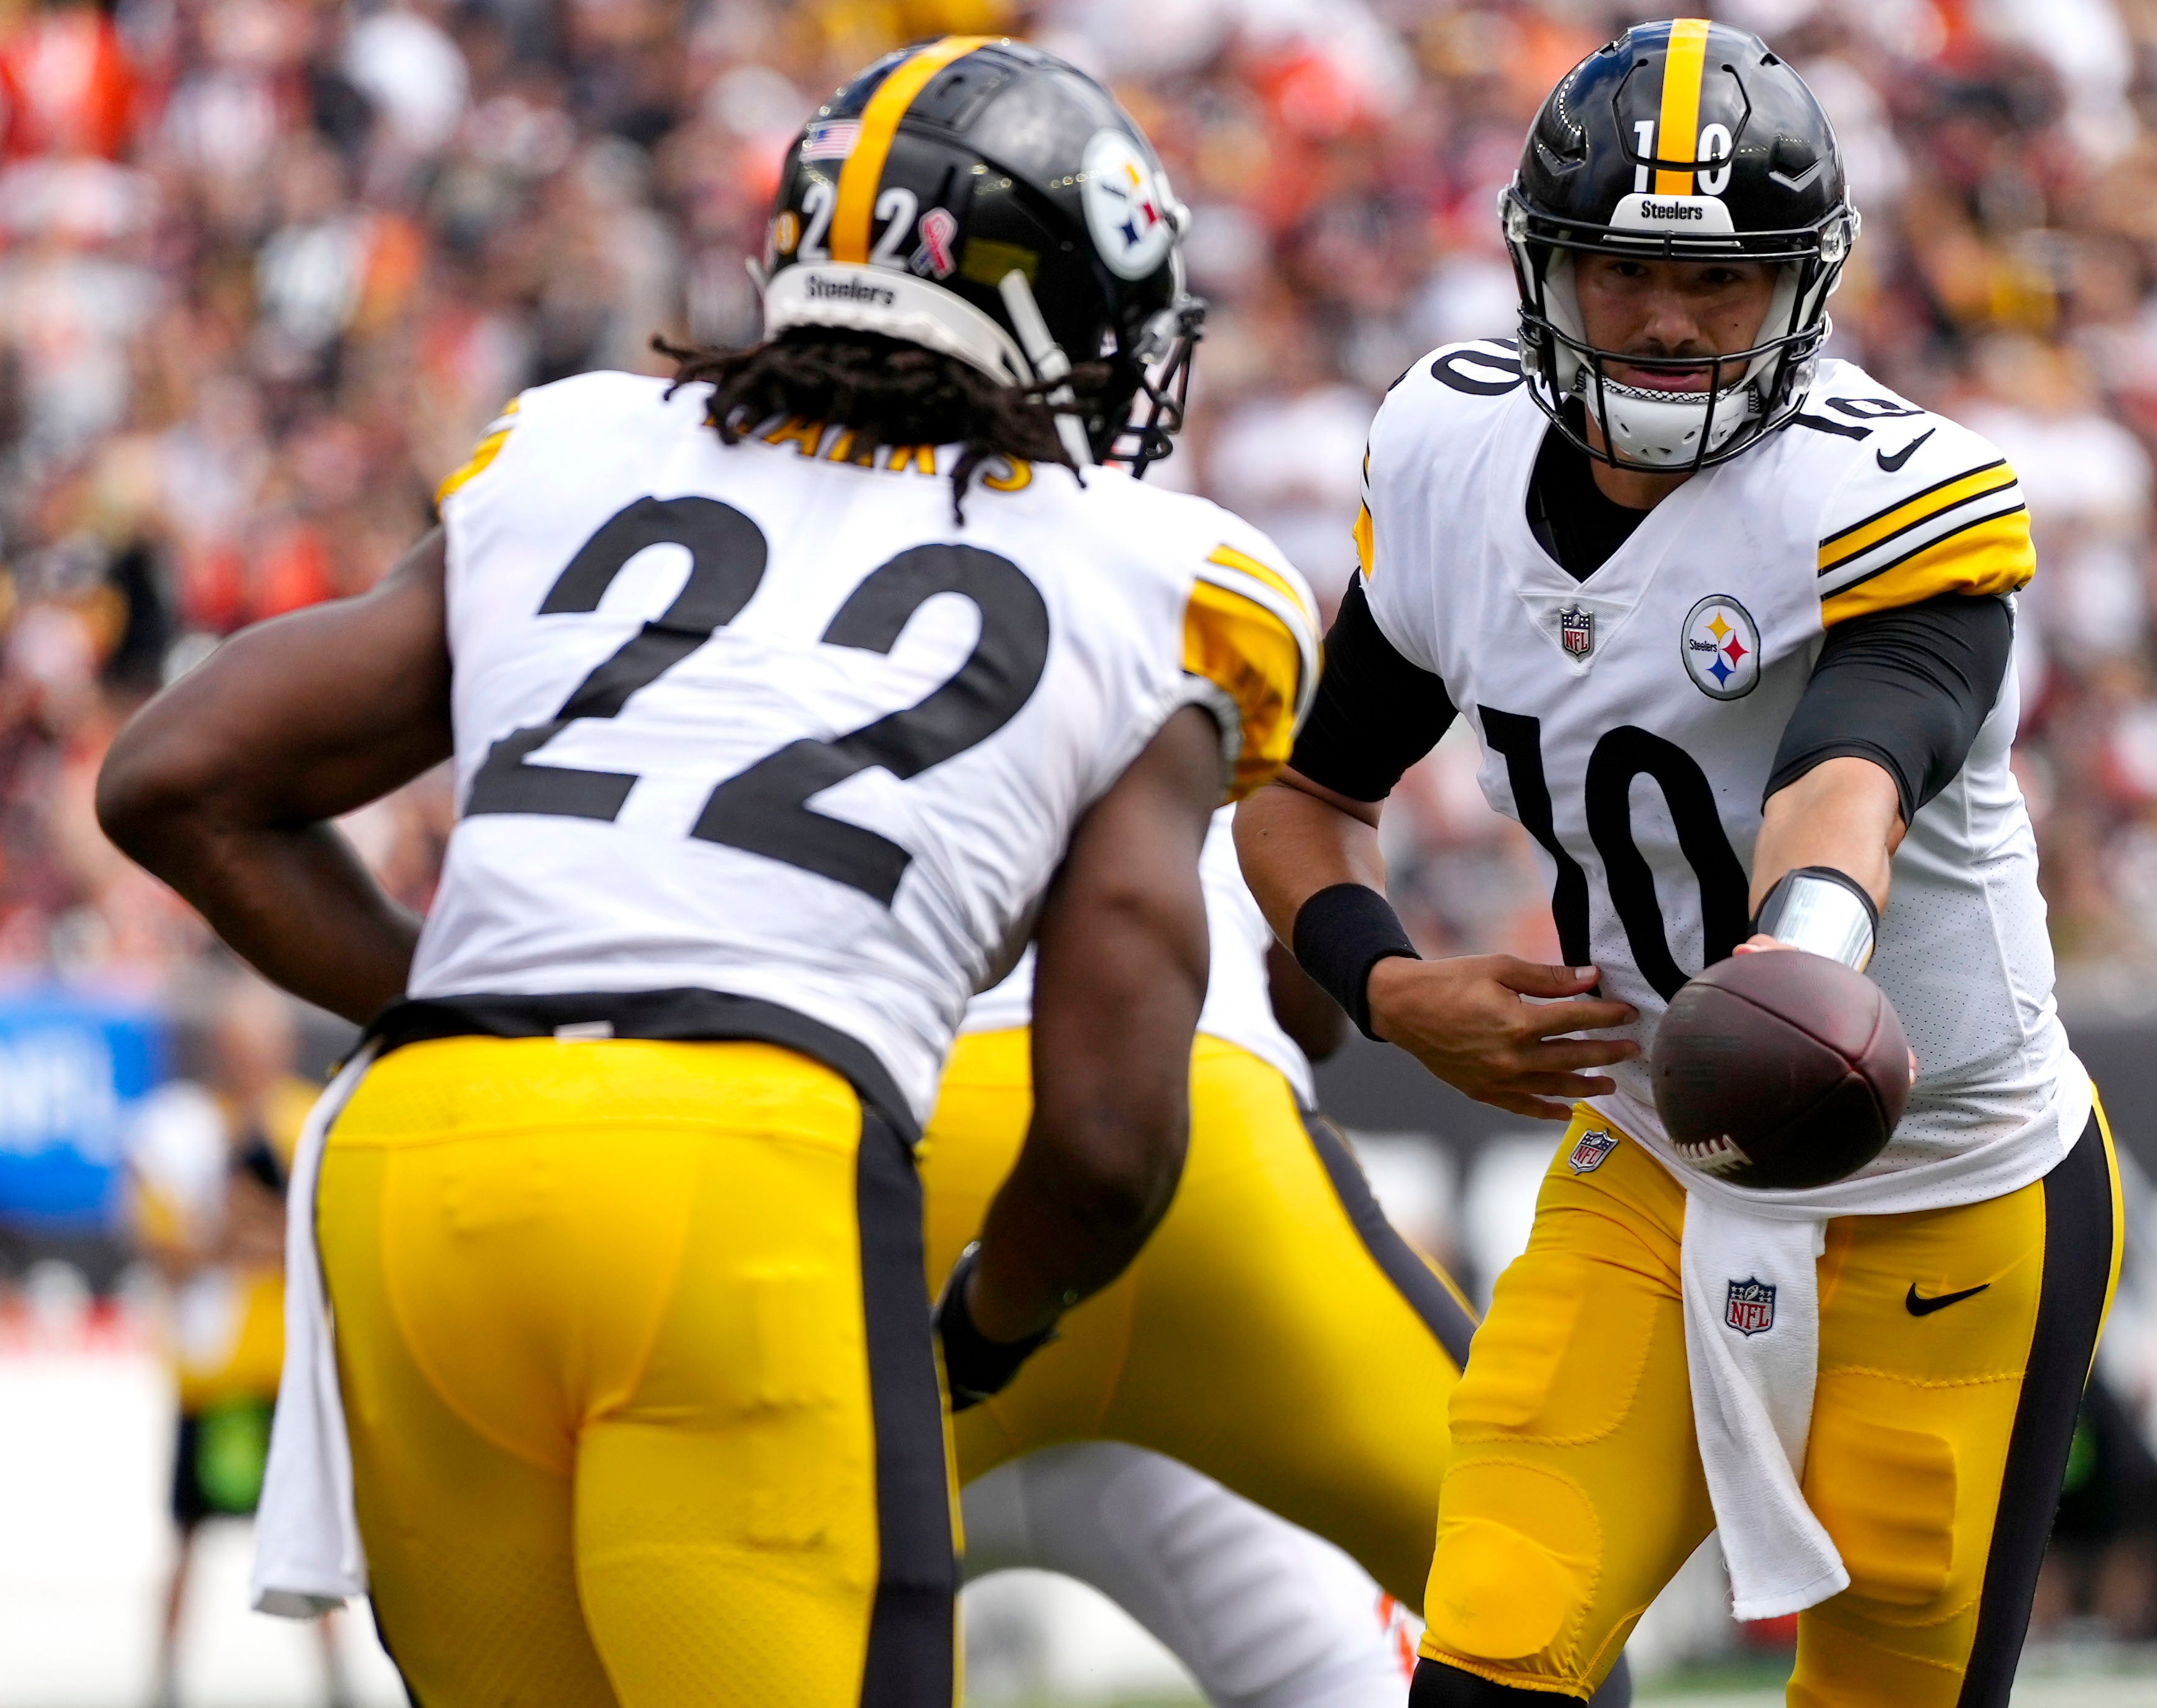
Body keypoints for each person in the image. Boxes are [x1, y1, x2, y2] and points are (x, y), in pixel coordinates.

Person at [95, 36, 1318, 1706]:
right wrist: (990, 1331)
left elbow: (174, 777)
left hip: (414, 1166)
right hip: (744, 1156)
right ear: (1049, 315)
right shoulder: (1147, 568)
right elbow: (1108, 1136)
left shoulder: (584, 445)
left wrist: (468, 1000)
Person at [1235, 22, 2121, 1707]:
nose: (1663, 320)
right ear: (1541, 267)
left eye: (1717, 282)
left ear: (1799, 288)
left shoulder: (1889, 490)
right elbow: (1302, 794)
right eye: (1623, 268)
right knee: (1486, 1663)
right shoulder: (1447, 459)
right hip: (1654, 1153)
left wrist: (1797, 963)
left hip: (1951, 1185)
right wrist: (1389, 986)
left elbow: (1847, 775)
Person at [939, 811, 1635, 1706]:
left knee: (811, 1631)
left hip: (934, 1168)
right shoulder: (1215, 730)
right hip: (1206, 1154)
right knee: (1537, 1599)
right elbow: (1309, 1001)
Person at [126, 975, 349, 1708]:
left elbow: (324, 1242)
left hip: (285, 1374)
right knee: (187, 1536)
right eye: (236, 1044)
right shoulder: (178, 1130)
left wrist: (233, 1234)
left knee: (307, 1541)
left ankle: (337, 1683)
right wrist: (252, 1235)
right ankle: (165, 1681)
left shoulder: (310, 1120)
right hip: (212, 1373)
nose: (248, 1058)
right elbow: (165, 1249)